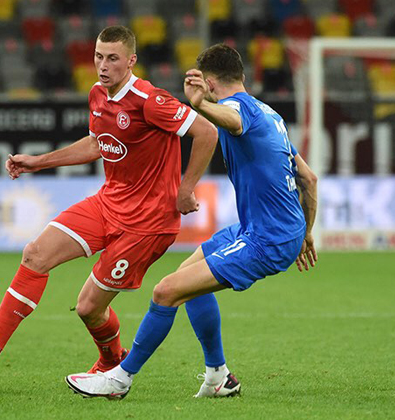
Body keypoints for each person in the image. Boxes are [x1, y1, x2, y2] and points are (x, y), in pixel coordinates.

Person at [0, 26, 218, 379]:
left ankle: (112, 360)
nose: (103, 65)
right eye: (98, 56)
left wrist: (185, 188)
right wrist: (39, 162)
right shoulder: (98, 94)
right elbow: (98, 143)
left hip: (147, 224)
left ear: (131, 61)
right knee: (35, 254)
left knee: (88, 308)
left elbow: (207, 132)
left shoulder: (150, 100)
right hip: (109, 202)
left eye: (112, 58)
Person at [65, 43, 318, 399]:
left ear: (210, 83)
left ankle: (119, 378)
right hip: (268, 228)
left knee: (166, 291)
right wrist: (305, 233)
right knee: (188, 277)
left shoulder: (237, 110)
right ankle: (219, 376)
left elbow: (232, 120)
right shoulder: (271, 114)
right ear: (241, 76)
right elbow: (309, 178)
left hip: (267, 238)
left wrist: (199, 105)